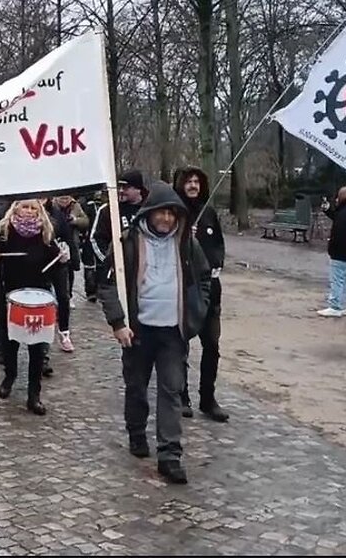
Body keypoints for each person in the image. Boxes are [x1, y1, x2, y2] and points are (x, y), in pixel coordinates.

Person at [98, 181, 211, 484]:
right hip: (138, 331)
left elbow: (203, 279)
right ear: (149, 213)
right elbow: (107, 284)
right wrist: (118, 322)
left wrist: (196, 314)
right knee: (136, 386)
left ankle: (170, 455)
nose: (167, 219)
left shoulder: (186, 243)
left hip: (173, 332)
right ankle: (136, 433)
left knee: (172, 389)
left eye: (172, 214)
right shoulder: (128, 243)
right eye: (161, 213)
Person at [0, 199, 67, 415]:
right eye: (25, 206)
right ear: (16, 208)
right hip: (12, 293)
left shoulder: (45, 233)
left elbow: (57, 265)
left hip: (39, 295)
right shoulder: (5, 231)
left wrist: (62, 260)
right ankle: (10, 375)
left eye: (34, 207)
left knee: (37, 347)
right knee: (10, 342)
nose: (29, 211)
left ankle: (34, 394)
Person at [173, 166, 229, 422]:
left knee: (212, 345)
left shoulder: (209, 212)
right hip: (184, 287)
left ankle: (208, 398)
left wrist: (216, 262)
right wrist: (184, 237)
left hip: (210, 289)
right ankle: (181, 395)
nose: (193, 186)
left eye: (197, 181)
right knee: (180, 345)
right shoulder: (173, 212)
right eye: (189, 182)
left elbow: (218, 244)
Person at [48, 195, 88, 353]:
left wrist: (68, 252)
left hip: (59, 261)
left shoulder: (56, 213)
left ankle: (64, 333)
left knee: (63, 297)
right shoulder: (30, 210)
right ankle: (41, 341)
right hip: (38, 263)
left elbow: (67, 235)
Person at [318, 187, 346, 317]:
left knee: (337, 280)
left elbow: (340, 228)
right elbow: (338, 218)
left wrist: (332, 246)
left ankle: (335, 306)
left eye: (339, 197)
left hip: (341, 252)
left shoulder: (345, 212)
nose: (337, 199)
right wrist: (328, 211)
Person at [91, 170, 147, 274]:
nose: (121, 191)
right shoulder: (108, 210)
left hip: (146, 270)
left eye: (126, 188)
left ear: (138, 189)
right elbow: (96, 238)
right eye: (119, 187)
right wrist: (109, 261)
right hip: (117, 271)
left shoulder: (149, 209)